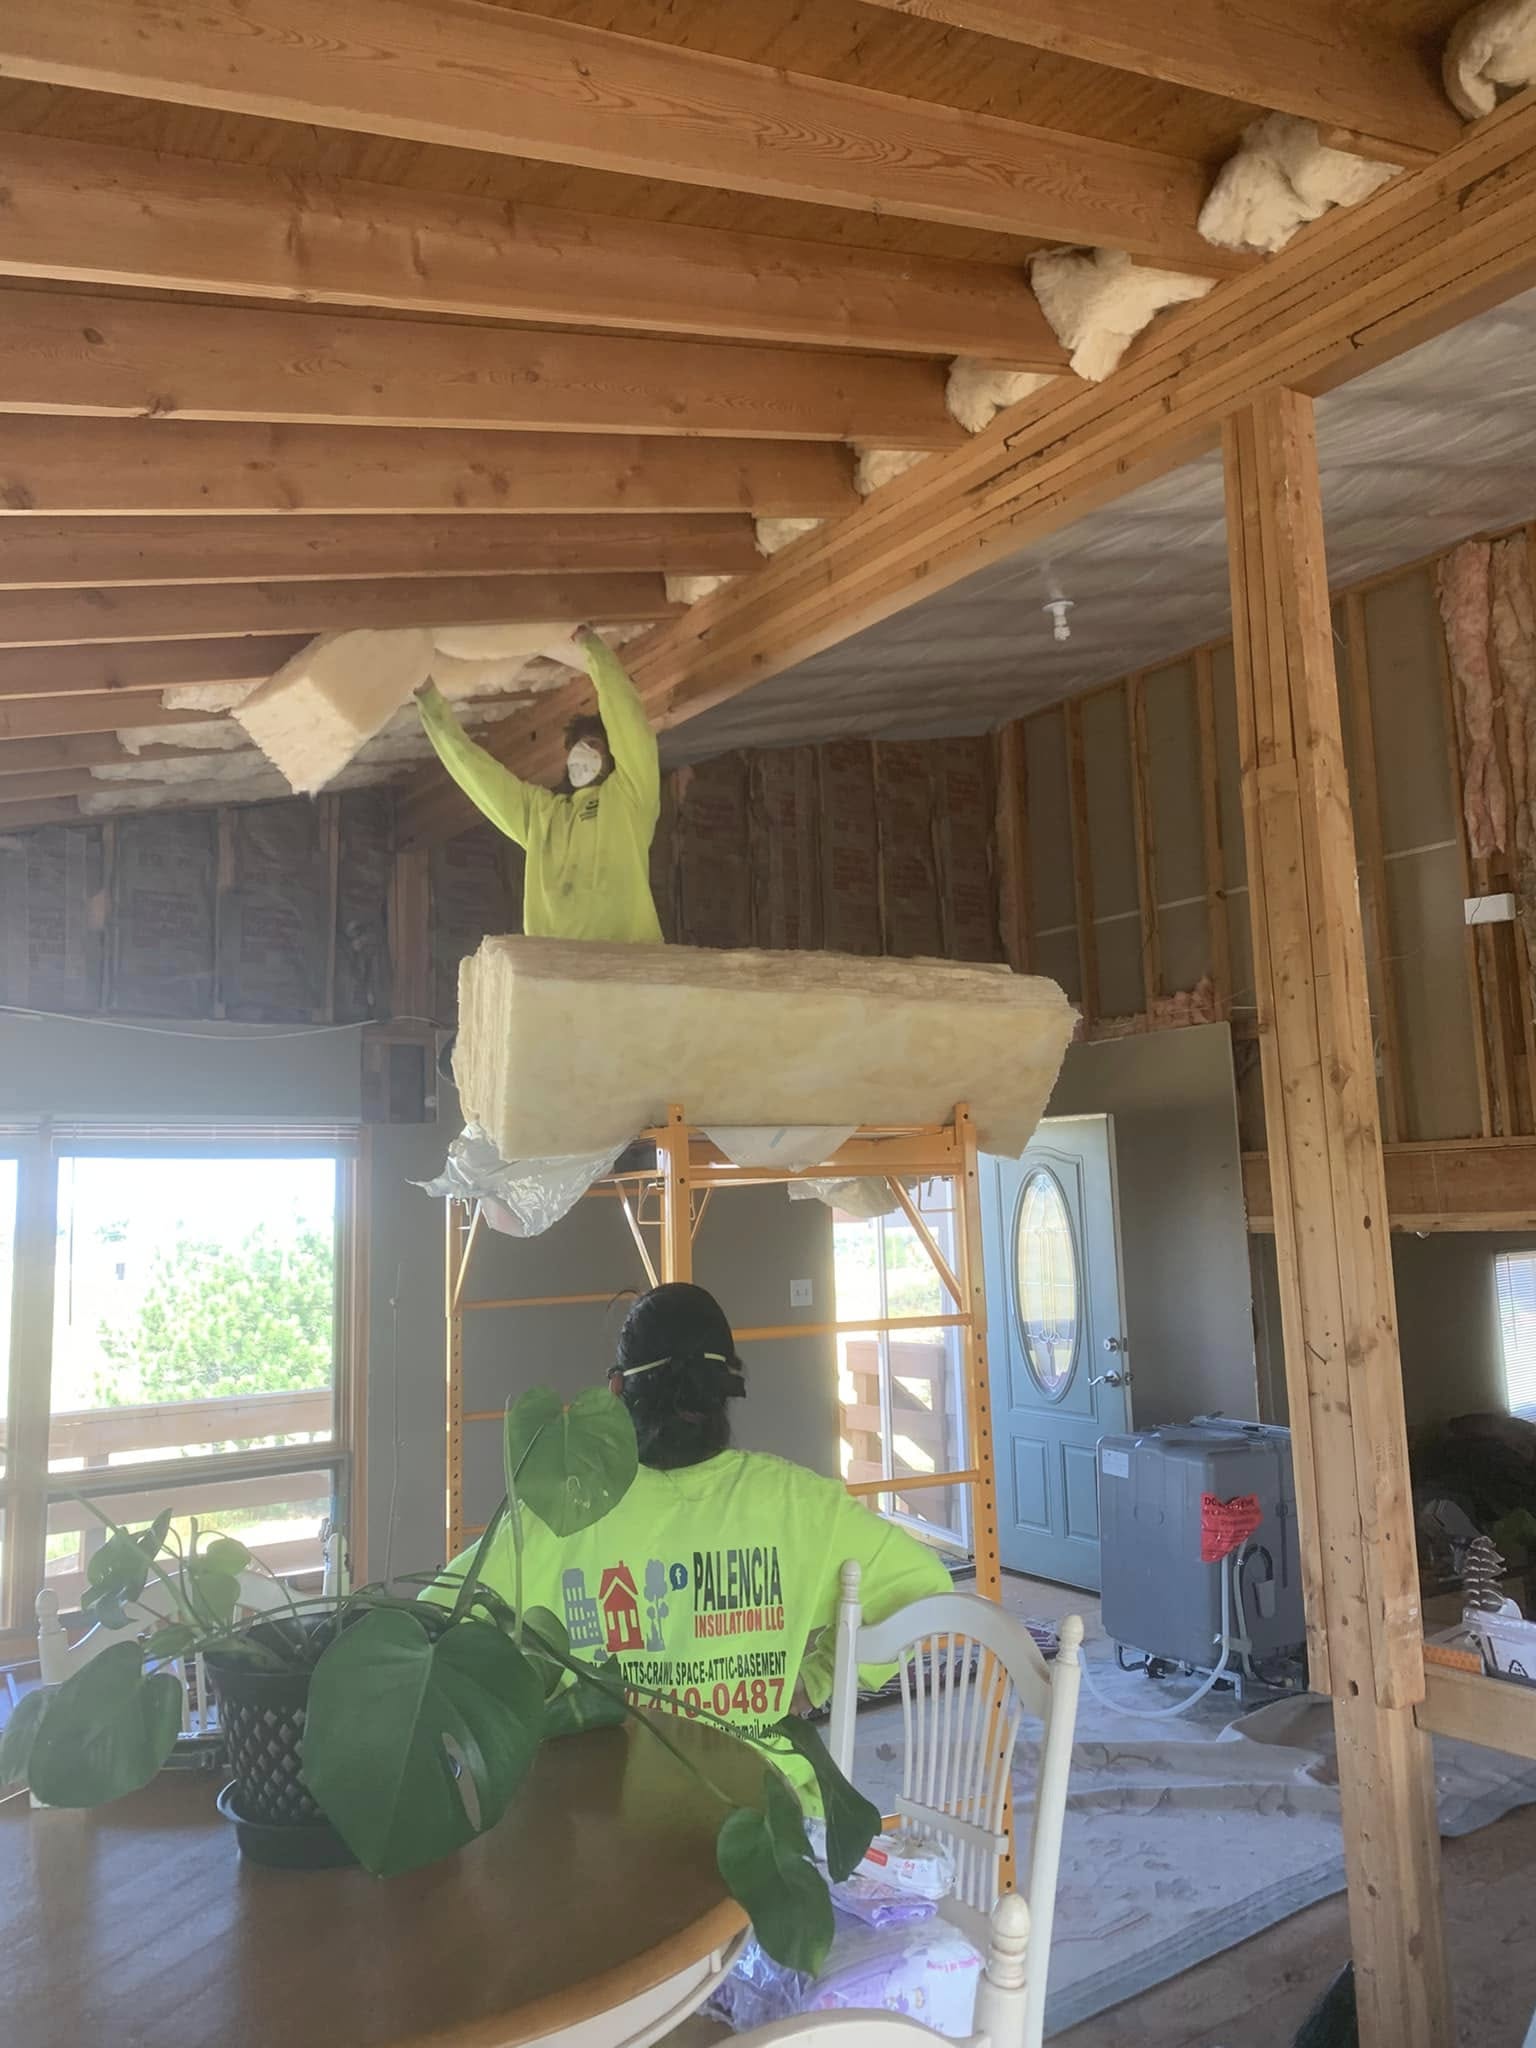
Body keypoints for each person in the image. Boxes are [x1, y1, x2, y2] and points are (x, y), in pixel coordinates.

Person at [427, 1283, 952, 1789]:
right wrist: (816, 1679)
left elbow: (429, 1635)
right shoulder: (801, 1504)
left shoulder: (561, 1514)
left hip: (601, 1832)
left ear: (616, 1389)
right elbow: (923, 1587)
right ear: (725, 1391)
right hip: (765, 1824)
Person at [416, 625, 664, 1078]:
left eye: (593, 747)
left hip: (629, 971)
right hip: (558, 983)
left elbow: (630, 722)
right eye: (574, 750)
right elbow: (478, 775)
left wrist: (591, 650)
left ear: (612, 757)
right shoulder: (542, 817)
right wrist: (428, 701)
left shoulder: (629, 799)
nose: (580, 758)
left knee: (623, 1076)